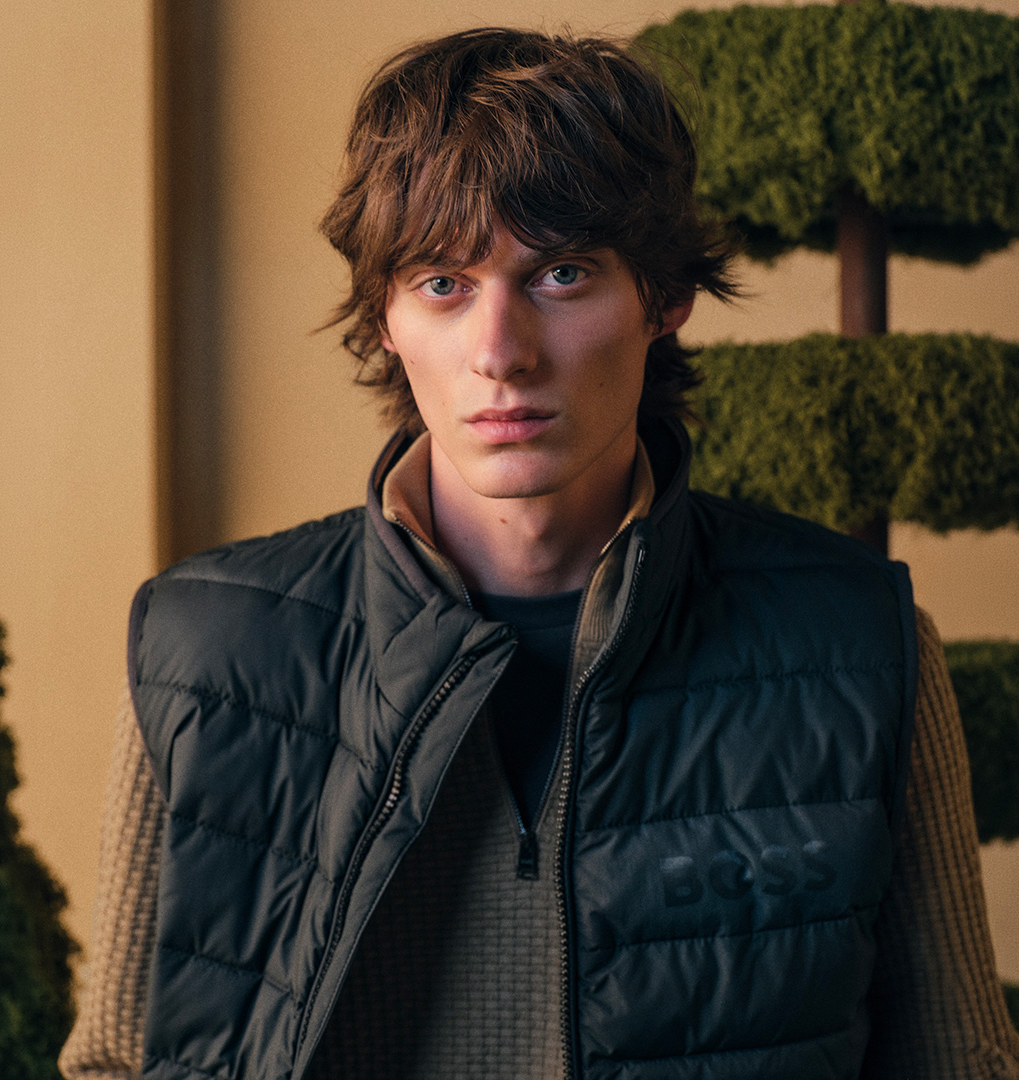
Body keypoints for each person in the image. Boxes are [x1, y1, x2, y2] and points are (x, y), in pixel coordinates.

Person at [60, 27, 1019, 1080]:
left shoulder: (860, 642)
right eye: (441, 283)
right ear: (384, 316)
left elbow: (961, 1061)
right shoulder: (206, 647)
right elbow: (117, 1062)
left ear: (663, 299)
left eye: (560, 274)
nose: (500, 351)